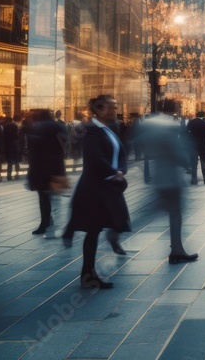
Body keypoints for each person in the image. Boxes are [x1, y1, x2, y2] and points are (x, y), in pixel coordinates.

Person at [64, 95, 132, 289]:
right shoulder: (92, 130)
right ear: (99, 110)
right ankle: (88, 274)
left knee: (103, 226)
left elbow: (117, 151)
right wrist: (114, 172)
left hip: (107, 186)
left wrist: (119, 171)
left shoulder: (105, 129)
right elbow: (95, 158)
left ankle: (88, 271)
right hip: (96, 189)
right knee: (94, 230)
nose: (114, 110)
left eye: (115, 106)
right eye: (110, 107)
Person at [135, 113, 199, 264]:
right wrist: (186, 160)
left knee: (172, 214)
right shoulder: (167, 137)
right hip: (170, 182)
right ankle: (117, 232)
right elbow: (181, 158)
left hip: (162, 180)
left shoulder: (155, 137)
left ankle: (177, 249)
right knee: (167, 214)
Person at [26, 109, 67, 236]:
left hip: (42, 167)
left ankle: (45, 222)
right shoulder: (60, 126)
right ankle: (54, 222)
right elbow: (65, 144)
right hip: (57, 166)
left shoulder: (38, 127)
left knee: (44, 196)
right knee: (56, 195)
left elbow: (34, 148)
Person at [186, 111, 205, 185]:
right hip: (203, 145)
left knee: (194, 163)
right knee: (203, 162)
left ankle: (194, 179)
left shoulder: (191, 123)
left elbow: (186, 132)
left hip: (193, 145)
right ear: (204, 116)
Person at [2, 115, 22, 181]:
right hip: (14, 144)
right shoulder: (15, 126)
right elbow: (17, 135)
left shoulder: (5, 127)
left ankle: (9, 175)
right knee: (16, 160)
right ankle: (17, 174)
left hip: (8, 145)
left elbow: (4, 137)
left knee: (9, 162)